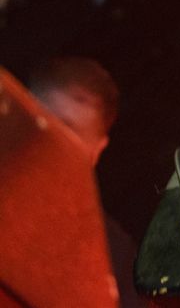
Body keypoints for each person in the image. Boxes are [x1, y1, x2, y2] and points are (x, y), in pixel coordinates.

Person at [27, 56, 147, 308]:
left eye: (71, 136)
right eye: (45, 123)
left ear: (97, 149)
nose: (54, 144)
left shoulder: (114, 255)